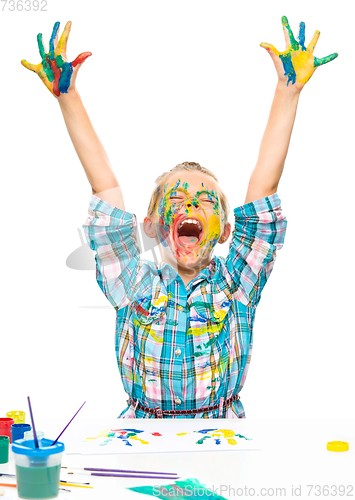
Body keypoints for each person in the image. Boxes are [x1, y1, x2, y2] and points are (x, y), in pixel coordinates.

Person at [21, 16, 337, 418]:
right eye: (178, 197)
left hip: (222, 438)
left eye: (205, 201)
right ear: (152, 226)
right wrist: (68, 97)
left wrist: (287, 91)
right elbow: (105, 188)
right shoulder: (132, 281)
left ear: (224, 231)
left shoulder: (237, 282)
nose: (190, 207)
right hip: (142, 437)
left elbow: (263, 190)